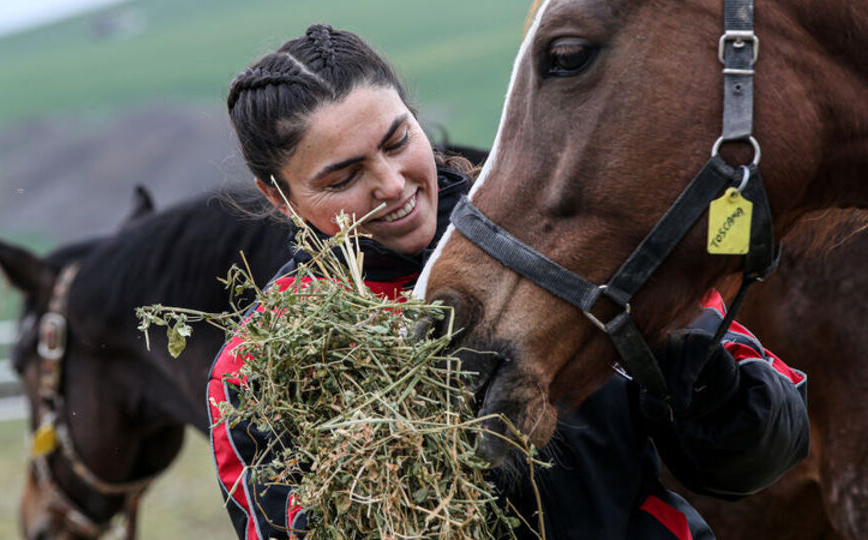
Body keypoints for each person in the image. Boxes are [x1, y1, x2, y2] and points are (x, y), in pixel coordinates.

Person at [207, 24, 809, 540]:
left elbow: (768, 447)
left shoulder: (569, 242)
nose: (391, 184)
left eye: (398, 141)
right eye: (344, 177)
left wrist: (698, 378)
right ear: (279, 197)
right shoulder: (261, 366)